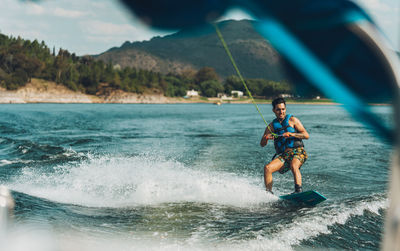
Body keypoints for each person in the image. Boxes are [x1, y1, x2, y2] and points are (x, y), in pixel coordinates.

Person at [260, 97, 309, 194]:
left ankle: (298, 191)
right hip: (284, 155)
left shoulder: (293, 120)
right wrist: (266, 138)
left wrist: (292, 134)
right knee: (267, 168)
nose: (281, 112)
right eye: (278, 109)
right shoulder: (271, 126)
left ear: (285, 109)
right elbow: (262, 144)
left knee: (294, 165)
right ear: (274, 110)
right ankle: (269, 194)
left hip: (298, 152)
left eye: (283, 109)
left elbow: (306, 135)